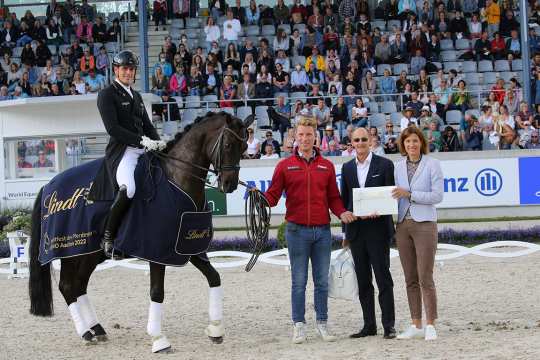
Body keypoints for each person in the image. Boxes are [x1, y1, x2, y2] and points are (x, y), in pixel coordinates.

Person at [263, 114, 355, 344]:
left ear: (316, 137)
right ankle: (299, 325)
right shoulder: (284, 165)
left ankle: (322, 324)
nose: (305, 138)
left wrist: (342, 212)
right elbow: (273, 196)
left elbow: (333, 197)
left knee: (322, 281)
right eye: (301, 134)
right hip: (296, 231)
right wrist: (260, 198)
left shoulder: (326, 166)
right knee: (299, 281)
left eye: (309, 135)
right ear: (295, 136)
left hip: (322, 231)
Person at [88, 50, 166, 258]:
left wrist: (160, 143)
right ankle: (108, 237)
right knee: (129, 189)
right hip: (124, 152)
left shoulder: (137, 96)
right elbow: (113, 128)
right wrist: (140, 140)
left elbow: (148, 126)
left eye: (131, 69)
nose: (129, 72)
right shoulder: (107, 95)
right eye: (125, 68)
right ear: (116, 70)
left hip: (143, 148)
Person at [340, 126, 397, 340]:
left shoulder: (385, 165)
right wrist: (345, 232)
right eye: (357, 140)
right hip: (356, 231)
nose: (361, 143)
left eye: (364, 139)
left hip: (378, 230)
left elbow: (390, 197)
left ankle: (388, 326)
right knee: (363, 281)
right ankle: (369, 325)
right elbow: (344, 201)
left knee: (383, 278)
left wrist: (380, 211)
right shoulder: (346, 169)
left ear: (371, 140)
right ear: (351, 143)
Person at [392, 126, 443, 341]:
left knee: (425, 276)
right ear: (403, 145)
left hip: (425, 224)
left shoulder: (433, 164)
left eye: (415, 141)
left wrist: (410, 194)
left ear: (421, 142)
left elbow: (437, 196)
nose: (411, 145)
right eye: (407, 142)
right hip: (403, 224)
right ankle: (416, 323)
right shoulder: (397, 166)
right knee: (410, 277)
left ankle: (431, 323)